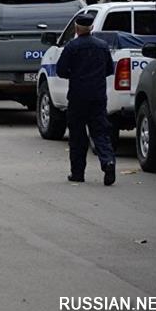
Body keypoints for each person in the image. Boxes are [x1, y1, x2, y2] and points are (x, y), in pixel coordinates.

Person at [55, 13, 116, 186]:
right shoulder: (102, 46)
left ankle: (78, 173)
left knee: (77, 136)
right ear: (92, 28)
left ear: (76, 28)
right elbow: (109, 69)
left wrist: (74, 75)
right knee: (100, 132)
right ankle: (108, 162)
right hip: (97, 96)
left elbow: (60, 70)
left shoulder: (72, 47)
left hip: (77, 97)